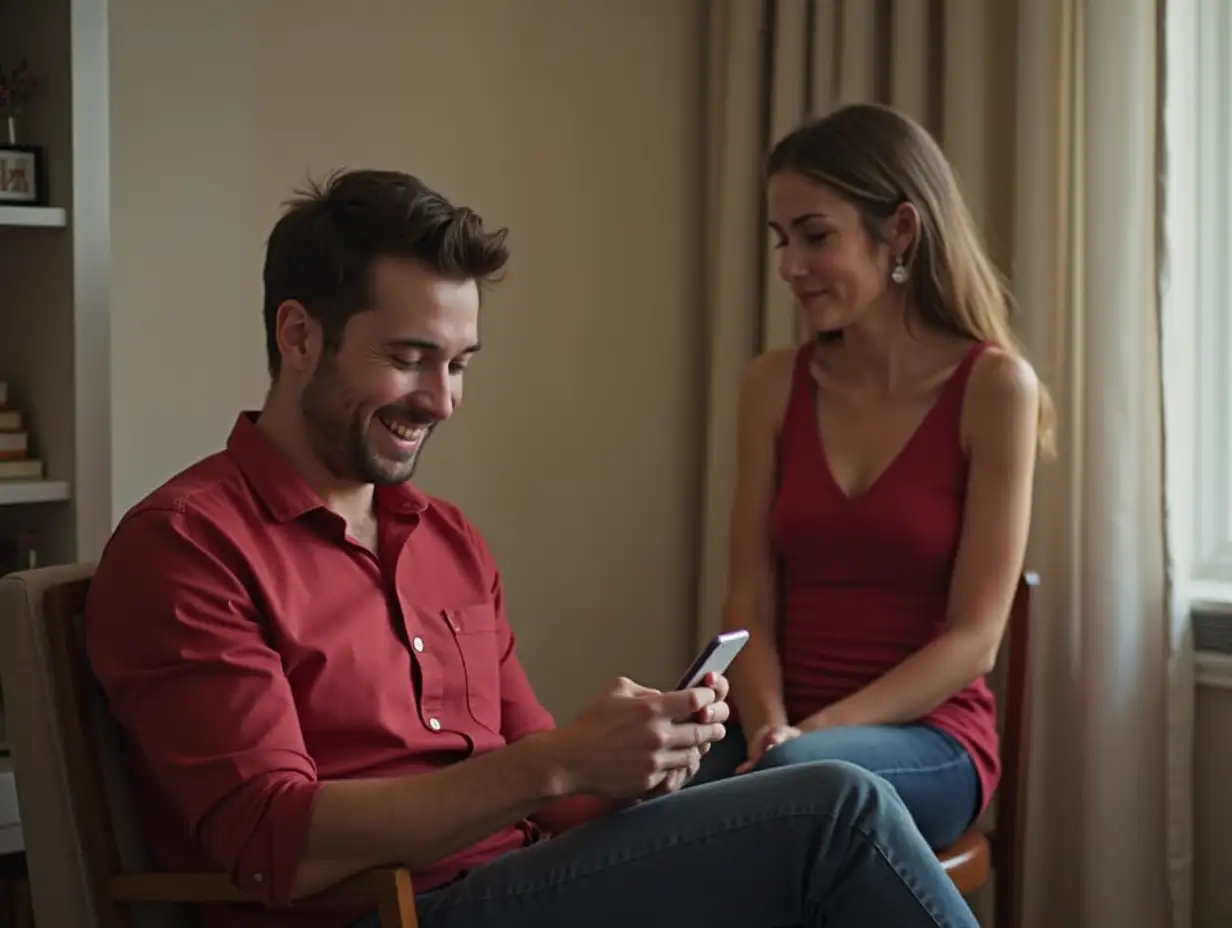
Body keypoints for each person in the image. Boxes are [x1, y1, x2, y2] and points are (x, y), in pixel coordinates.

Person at [84, 168, 981, 928]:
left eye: (460, 363)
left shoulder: (444, 539)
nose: (440, 400)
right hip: (395, 911)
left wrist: (639, 765)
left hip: (519, 886)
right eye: (408, 358)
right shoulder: (189, 548)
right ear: (298, 335)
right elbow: (272, 840)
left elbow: (554, 794)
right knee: (834, 809)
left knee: (787, 799)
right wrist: (555, 761)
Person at [691, 103, 1053, 853]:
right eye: (782, 240)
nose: (790, 265)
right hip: (776, 723)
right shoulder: (772, 384)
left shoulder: (994, 389)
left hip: (930, 741)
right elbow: (746, 599)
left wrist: (812, 735)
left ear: (901, 232)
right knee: (633, 800)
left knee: (796, 788)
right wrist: (767, 726)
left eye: (815, 235)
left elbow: (975, 640)